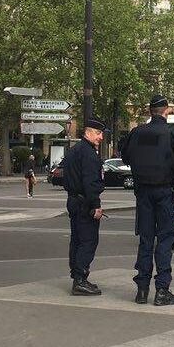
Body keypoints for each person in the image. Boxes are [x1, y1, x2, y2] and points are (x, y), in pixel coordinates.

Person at [120, 94, 174, 306]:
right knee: (165, 240)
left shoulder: (136, 132)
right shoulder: (173, 133)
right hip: (165, 192)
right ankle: (162, 290)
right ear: (167, 110)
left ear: (150, 111)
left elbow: (125, 156)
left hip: (142, 192)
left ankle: (141, 290)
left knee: (145, 240)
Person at [63, 119, 107, 296]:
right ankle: (80, 279)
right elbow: (90, 182)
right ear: (88, 133)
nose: (101, 137)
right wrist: (96, 205)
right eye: (98, 133)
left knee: (77, 240)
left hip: (74, 200)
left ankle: (77, 275)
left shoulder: (74, 151)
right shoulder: (89, 154)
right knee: (88, 241)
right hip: (85, 203)